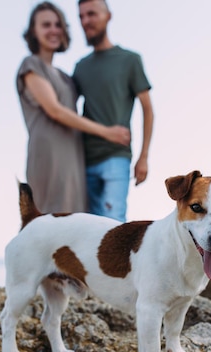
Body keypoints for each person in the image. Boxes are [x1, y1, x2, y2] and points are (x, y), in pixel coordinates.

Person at [16, 1, 130, 213]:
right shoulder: (31, 65)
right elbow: (55, 110)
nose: (53, 30)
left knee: (74, 226)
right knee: (46, 223)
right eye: (46, 25)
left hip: (75, 159)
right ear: (34, 31)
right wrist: (107, 132)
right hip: (48, 155)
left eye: (57, 24)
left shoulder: (66, 77)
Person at [73, 0, 154, 222]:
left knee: (113, 224)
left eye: (91, 14)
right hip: (82, 159)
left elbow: (147, 109)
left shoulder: (129, 60)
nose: (86, 21)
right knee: (88, 228)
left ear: (108, 16)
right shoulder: (80, 67)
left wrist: (143, 157)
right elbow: (67, 111)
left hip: (116, 157)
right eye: (81, 16)